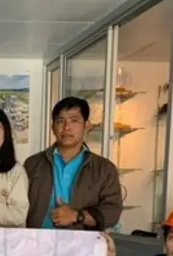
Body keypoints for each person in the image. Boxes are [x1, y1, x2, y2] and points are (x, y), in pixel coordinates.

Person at [24, 96, 122, 230]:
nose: (66, 127)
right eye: (60, 121)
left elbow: (112, 213)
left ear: (86, 125)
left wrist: (77, 216)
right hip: (37, 240)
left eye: (74, 120)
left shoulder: (104, 169)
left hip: (82, 242)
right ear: (53, 127)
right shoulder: (33, 164)